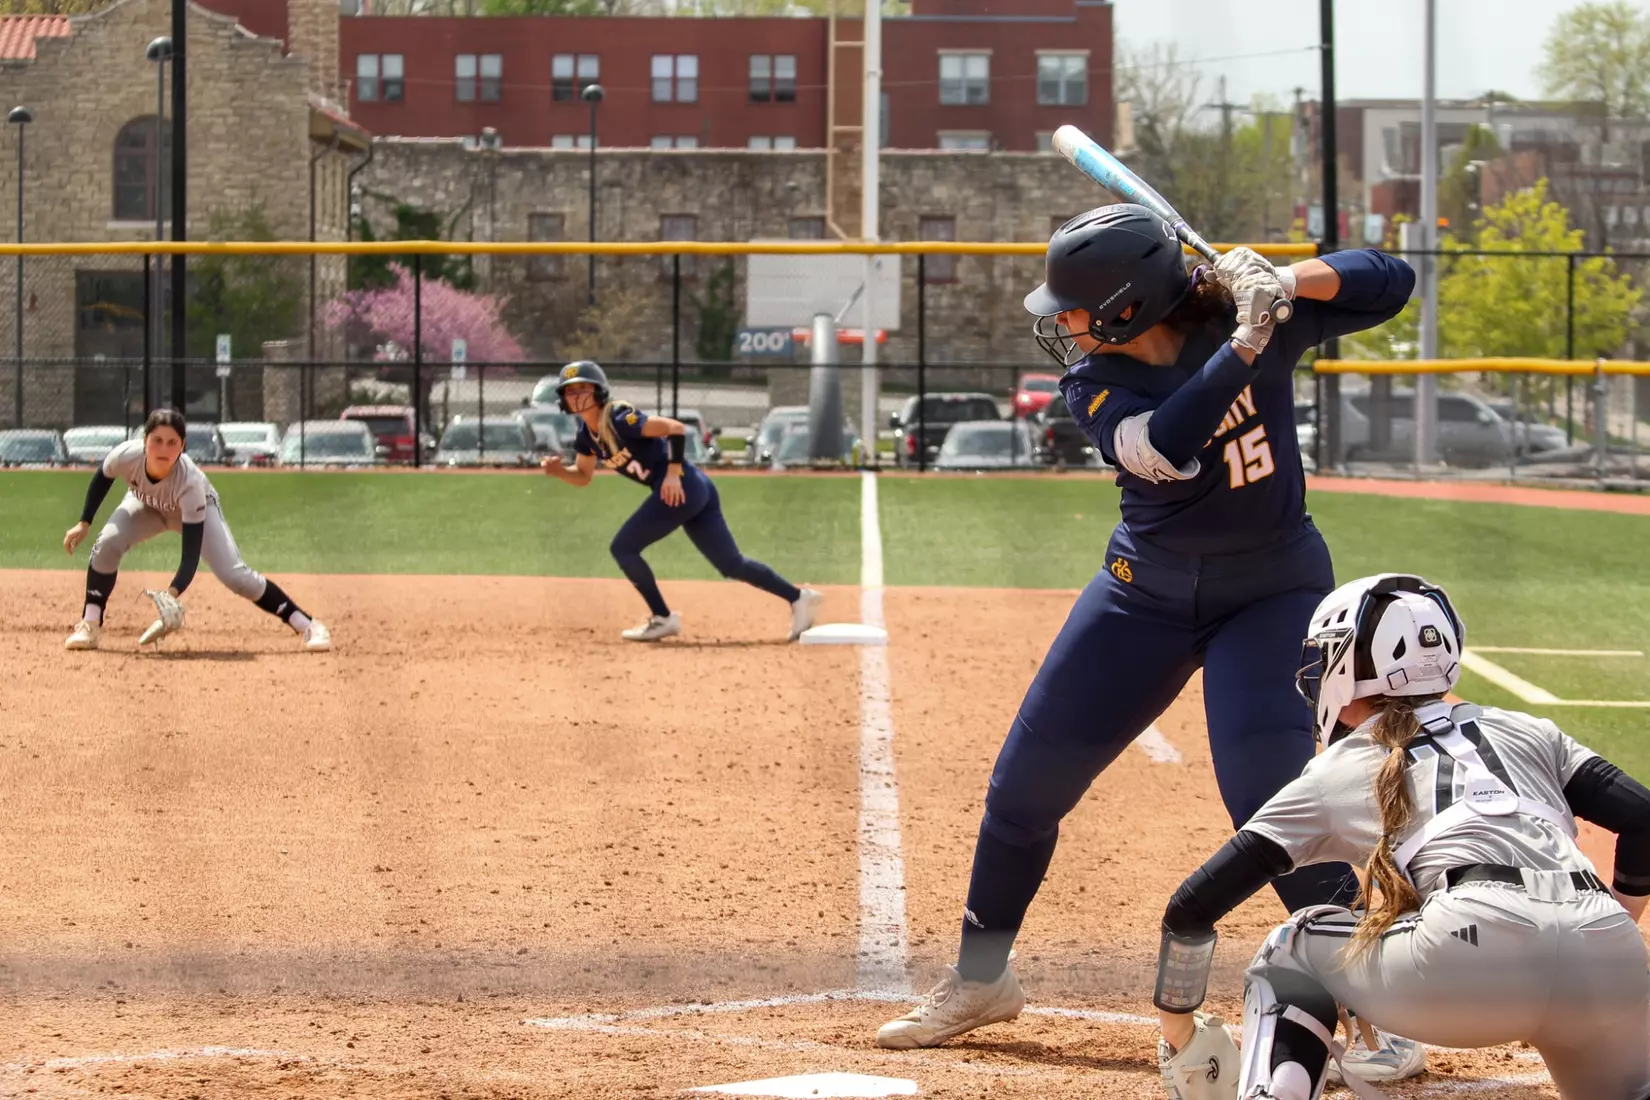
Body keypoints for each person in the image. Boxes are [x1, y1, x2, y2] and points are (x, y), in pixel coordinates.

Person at [877, 205, 1422, 1082]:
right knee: (1023, 790)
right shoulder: (1094, 383)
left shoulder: (1252, 314)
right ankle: (981, 978)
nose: (1062, 322)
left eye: (1074, 306)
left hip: (1273, 594)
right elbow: (1168, 443)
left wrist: (1286, 281)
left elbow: (1392, 282)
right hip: (1144, 595)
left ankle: (1375, 999)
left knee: (1274, 801)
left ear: (1128, 305)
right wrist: (1246, 343)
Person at [1152, 573, 1650, 1100]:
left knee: (1292, 947)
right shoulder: (1528, 729)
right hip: (1607, 951)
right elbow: (1643, 817)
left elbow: (1192, 907)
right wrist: (1600, 932)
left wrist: (1180, 1035)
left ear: (1348, 670)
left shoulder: (1343, 766)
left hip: (1467, 959)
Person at [541, 360, 821, 642]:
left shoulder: (619, 418)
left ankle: (662, 617)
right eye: (570, 391)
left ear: (599, 391)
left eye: (583, 388)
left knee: (623, 547)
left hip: (682, 488)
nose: (576, 395)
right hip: (694, 488)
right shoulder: (585, 436)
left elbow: (674, 428)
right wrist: (559, 472)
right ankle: (799, 597)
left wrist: (673, 473)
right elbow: (583, 475)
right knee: (731, 564)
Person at [62, 408, 332, 653]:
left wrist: (172, 592)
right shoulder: (126, 455)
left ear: (183, 446)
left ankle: (308, 625)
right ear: (145, 441)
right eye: (157, 440)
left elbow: (190, 556)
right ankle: (90, 624)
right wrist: (84, 522)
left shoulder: (189, 482)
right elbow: (103, 478)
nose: (163, 448)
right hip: (145, 505)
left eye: (172, 442)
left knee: (235, 576)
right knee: (107, 543)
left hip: (192, 512)